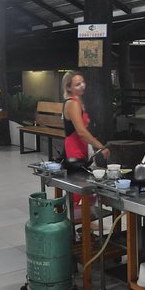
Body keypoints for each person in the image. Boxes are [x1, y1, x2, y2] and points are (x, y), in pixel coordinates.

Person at [62, 71, 109, 205]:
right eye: (77, 84)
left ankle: (87, 220)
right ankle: (79, 220)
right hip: (74, 149)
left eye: (83, 82)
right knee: (79, 187)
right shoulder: (72, 103)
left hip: (81, 147)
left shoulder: (78, 101)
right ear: (68, 87)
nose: (82, 86)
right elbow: (81, 132)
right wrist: (100, 146)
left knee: (85, 185)